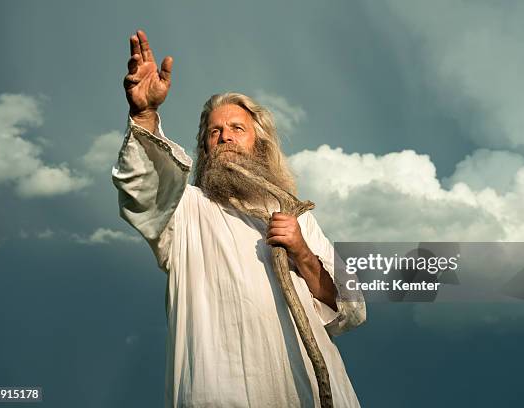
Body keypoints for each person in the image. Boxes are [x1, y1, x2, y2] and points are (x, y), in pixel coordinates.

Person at [112, 29, 366, 408]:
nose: (225, 137)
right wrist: (145, 114)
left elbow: (349, 310)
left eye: (236, 128)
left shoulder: (294, 214)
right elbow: (143, 186)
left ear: (258, 142)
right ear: (205, 148)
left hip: (305, 393)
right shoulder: (187, 211)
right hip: (219, 393)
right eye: (214, 132)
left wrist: (301, 252)